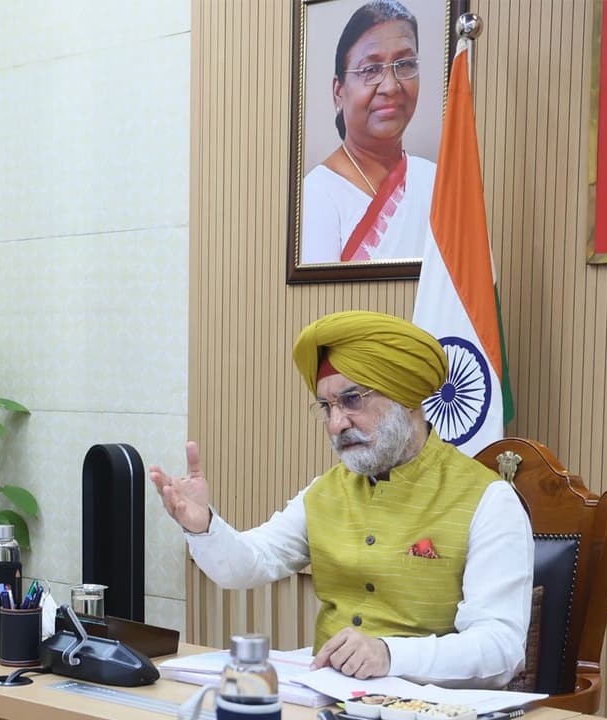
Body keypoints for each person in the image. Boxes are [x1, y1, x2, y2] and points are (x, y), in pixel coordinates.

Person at [150, 311, 533, 689]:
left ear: (406, 397)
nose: (336, 425)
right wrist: (202, 526)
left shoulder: (490, 501)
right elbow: (250, 564)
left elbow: (500, 649)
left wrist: (389, 654)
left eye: (352, 400)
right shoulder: (326, 490)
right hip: (322, 698)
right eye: (326, 407)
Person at [300, 0, 436, 263]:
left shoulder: (436, 181)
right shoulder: (317, 195)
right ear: (338, 92)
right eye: (371, 69)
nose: (391, 86)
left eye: (405, 64)